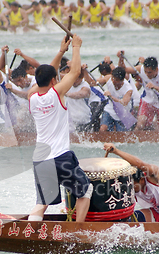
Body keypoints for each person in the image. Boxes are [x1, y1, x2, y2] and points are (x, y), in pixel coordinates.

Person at [27, 34, 92, 222]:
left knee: (42, 202)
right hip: (60, 156)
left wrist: (61, 51)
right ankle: (77, 232)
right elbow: (75, 72)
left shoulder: (31, 97)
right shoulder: (57, 93)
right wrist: (76, 47)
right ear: (54, 81)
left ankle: (31, 231)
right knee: (85, 190)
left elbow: (48, 73)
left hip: (40, 159)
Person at [103, 143, 159, 222]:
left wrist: (116, 151)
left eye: (133, 186)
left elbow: (140, 165)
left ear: (141, 179)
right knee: (130, 218)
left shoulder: (155, 176)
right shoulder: (133, 185)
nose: (130, 189)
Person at [123, 55, 159, 130]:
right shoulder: (141, 69)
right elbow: (124, 69)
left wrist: (155, 87)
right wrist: (121, 58)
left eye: (149, 72)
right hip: (148, 101)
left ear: (156, 69)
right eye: (145, 72)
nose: (147, 74)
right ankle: (134, 140)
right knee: (140, 125)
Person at [98, 66, 134, 132]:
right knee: (103, 129)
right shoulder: (108, 78)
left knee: (120, 135)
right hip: (110, 109)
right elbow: (92, 82)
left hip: (122, 112)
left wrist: (111, 97)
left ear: (122, 80)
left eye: (116, 80)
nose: (113, 81)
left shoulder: (128, 89)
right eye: (113, 78)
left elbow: (124, 102)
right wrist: (84, 72)